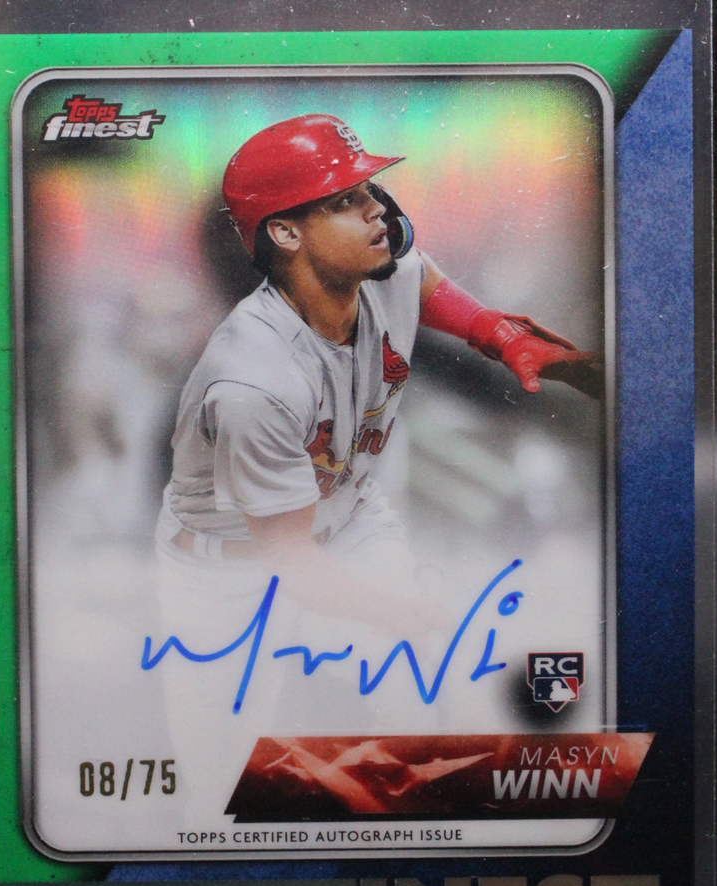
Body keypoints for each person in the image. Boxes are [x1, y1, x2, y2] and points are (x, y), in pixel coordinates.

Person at [156, 113, 598, 639]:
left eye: (363, 196)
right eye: (343, 203)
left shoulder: (368, 312)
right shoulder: (241, 381)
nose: (376, 213)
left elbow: (473, 364)